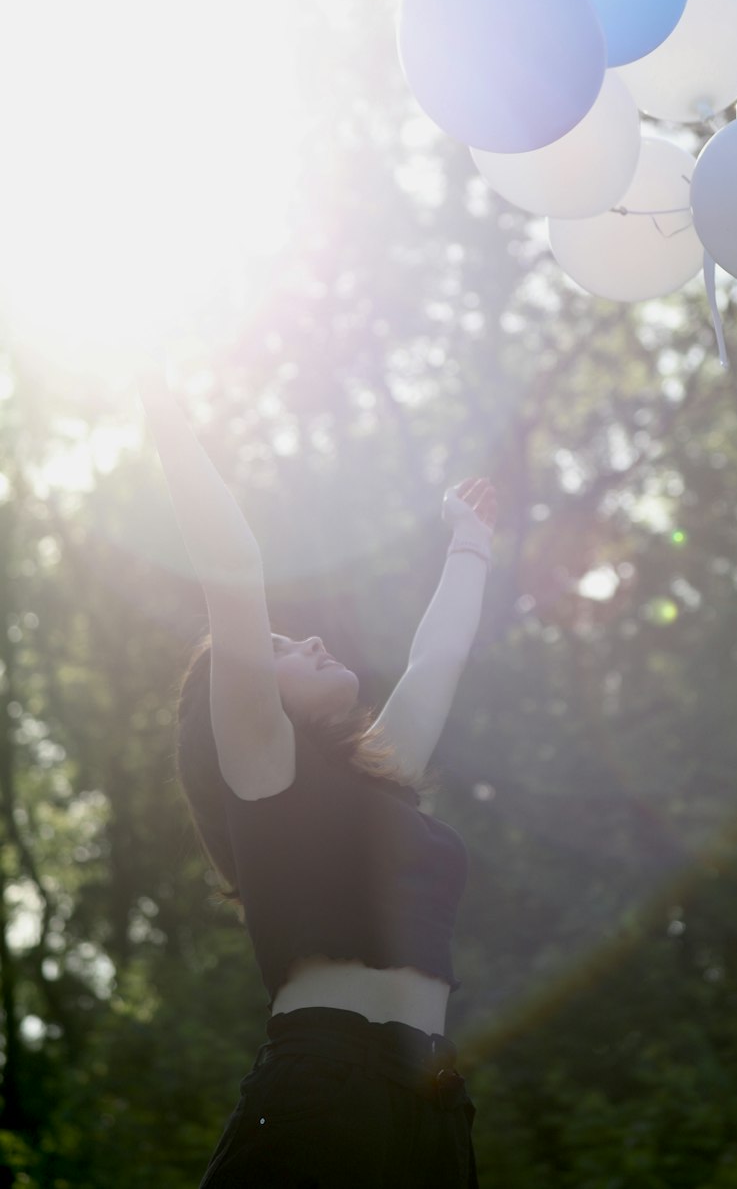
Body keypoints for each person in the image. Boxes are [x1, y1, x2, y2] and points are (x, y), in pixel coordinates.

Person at [137, 361, 494, 1187]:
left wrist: (469, 541)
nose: (307, 642)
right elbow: (234, 563)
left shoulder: (382, 782)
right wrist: (164, 412)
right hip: (321, 1094)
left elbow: (437, 660)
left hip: (435, 1105)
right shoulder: (263, 772)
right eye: (278, 648)